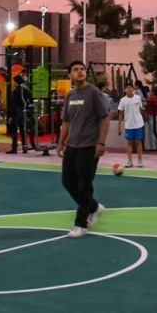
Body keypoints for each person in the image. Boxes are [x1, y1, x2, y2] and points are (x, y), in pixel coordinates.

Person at [57, 60, 109, 238]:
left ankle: (81, 224)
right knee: (67, 181)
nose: (80, 71)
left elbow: (105, 117)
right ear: (69, 75)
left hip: (89, 146)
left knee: (84, 185)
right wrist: (61, 143)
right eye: (75, 69)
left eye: (82, 69)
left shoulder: (93, 92)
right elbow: (66, 121)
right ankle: (93, 207)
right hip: (72, 145)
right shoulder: (70, 95)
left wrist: (101, 143)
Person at [117, 82, 145, 168]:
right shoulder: (123, 100)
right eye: (127, 87)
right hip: (128, 124)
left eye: (131, 87)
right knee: (129, 142)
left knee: (138, 142)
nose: (129, 89)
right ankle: (129, 161)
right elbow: (120, 113)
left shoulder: (138, 98)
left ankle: (140, 161)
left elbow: (141, 109)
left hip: (138, 124)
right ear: (125, 90)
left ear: (133, 89)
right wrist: (119, 127)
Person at [8, 76, 29, 154]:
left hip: (15, 112)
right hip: (23, 111)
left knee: (14, 130)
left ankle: (14, 148)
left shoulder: (15, 91)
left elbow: (12, 104)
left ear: (16, 82)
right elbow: (30, 99)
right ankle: (24, 147)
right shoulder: (25, 91)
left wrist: (10, 115)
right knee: (22, 130)